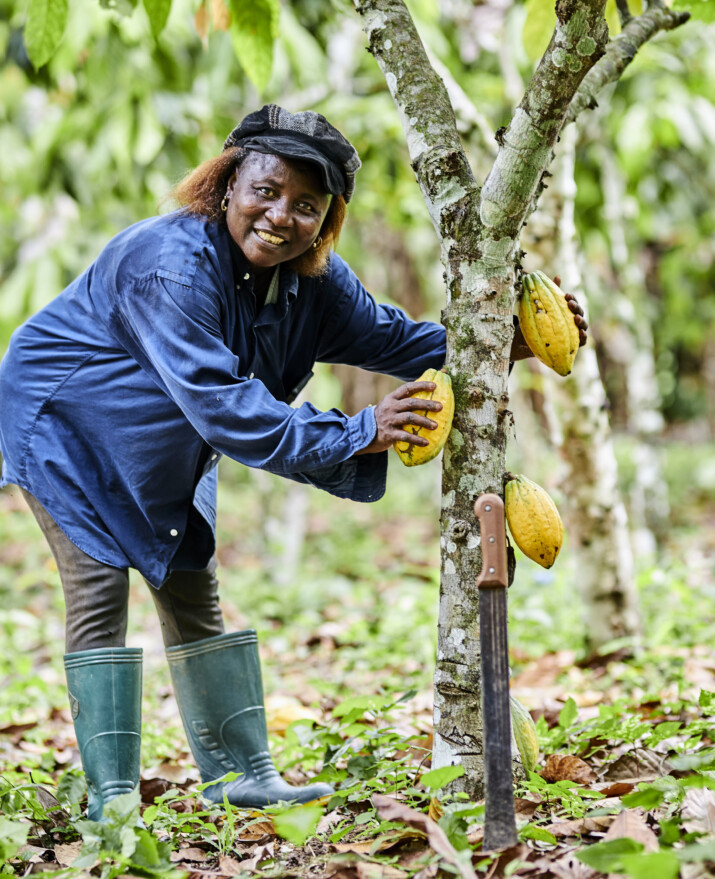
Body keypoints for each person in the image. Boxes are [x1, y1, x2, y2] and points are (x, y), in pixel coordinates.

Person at [0, 104, 586, 821]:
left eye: (306, 206)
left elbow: (396, 340)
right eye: (265, 191)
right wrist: (359, 431)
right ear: (225, 188)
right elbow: (226, 409)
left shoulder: (312, 279)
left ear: (327, 218)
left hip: (163, 438)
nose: (280, 216)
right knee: (99, 591)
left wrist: (511, 339)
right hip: (65, 425)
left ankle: (241, 773)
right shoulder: (169, 268)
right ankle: (113, 800)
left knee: (190, 584)